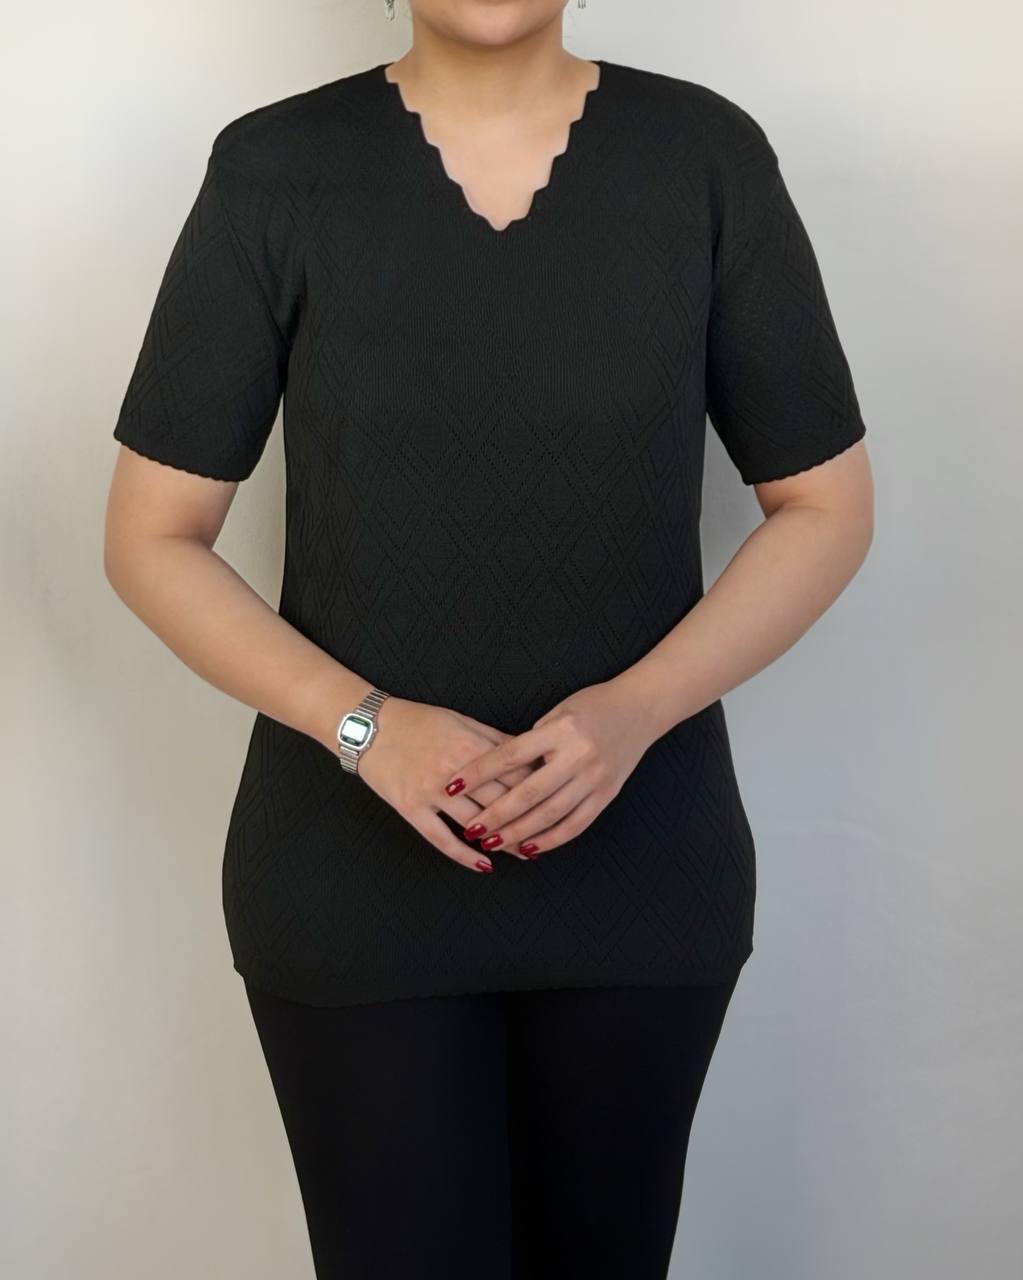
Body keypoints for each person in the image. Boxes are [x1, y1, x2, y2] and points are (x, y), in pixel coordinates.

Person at [103, 2, 874, 1277]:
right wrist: (367, 728)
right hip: (347, 886)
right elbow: (152, 536)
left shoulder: (705, 158)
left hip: (645, 873)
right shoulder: (274, 169)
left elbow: (826, 506)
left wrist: (633, 710)